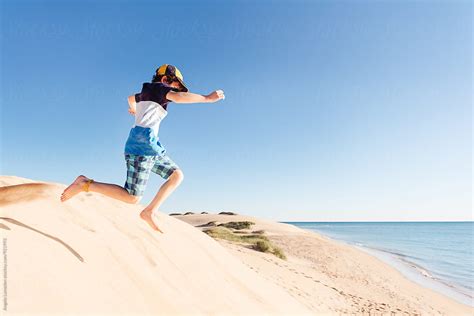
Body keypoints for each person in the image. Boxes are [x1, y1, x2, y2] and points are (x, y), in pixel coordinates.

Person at [60, 64, 225, 233]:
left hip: (149, 145)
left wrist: (133, 109)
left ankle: (149, 211)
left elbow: (130, 98)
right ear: (165, 79)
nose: (176, 90)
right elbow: (180, 98)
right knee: (132, 198)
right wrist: (207, 98)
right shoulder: (160, 88)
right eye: (176, 85)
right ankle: (84, 184)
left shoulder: (146, 93)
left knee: (176, 175)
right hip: (142, 145)